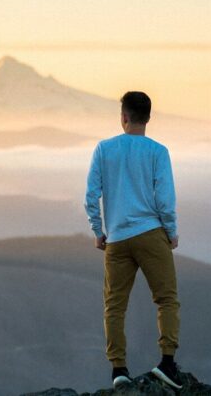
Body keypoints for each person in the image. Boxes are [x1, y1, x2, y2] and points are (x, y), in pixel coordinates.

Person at [84, 91, 183, 389]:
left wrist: (98, 231)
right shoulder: (157, 151)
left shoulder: (104, 149)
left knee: (114, 306)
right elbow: (164, 200)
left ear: (123, 116)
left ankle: (118, 370)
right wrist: (171, 231)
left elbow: (91, 196)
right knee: (166, 299)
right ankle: (167, 363)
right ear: (148, 118)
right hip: (151, 233)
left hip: (116, 238)